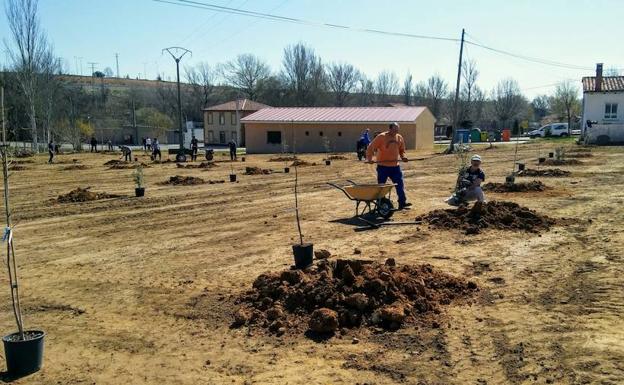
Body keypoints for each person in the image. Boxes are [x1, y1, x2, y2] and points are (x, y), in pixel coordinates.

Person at [366, 122, 411, 210]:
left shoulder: (399, 137)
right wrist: (369, 159)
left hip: (395, 167)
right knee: (381, 187)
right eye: (394, 130)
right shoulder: (382, 137)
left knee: (400, 185)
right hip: (383, 166)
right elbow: (370, 148)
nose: (396, 132)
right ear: (389, 129)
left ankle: (402, 203)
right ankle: (381, 204)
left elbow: (402, 150)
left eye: (397, 130)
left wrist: (403, 157)